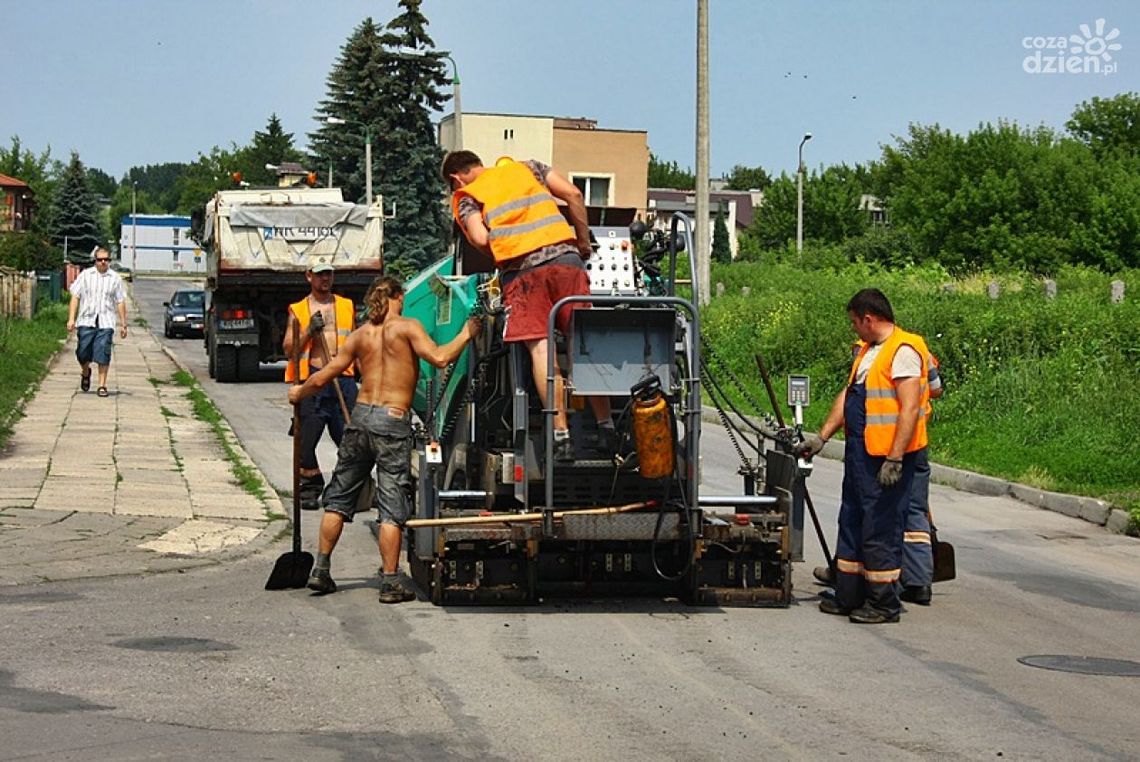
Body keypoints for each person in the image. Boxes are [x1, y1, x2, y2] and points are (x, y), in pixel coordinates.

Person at [289, 276, 482, 603]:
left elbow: (324, 374)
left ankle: (321, 569)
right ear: (397, 296)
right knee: (392, 506)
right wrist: (466, 333)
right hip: (392, 421)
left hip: (361, 417)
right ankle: (391, 581)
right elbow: (439, 358)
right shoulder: (407, 327)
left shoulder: (361, 334)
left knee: (338, 497)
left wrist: (299, 391)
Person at [441, 150, 614, 462]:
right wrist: (584, 242)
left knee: (542, 351)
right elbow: (574, 194)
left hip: (524, 271)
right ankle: (606, 424)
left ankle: (560, 434)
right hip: (567, 261)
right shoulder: (529, 168)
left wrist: (509, 238)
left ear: (456, 178)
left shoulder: (467, 196)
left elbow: (480, 239)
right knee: (582, 346)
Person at [799, 288, 932, 624]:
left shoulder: (902, 351)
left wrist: (896, 458)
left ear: (868, 319)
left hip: (885, 459)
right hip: (861, 453)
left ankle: (883, 603)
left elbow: (910, 408)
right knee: (852, 521)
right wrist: (822, 437)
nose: (853, 329)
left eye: (854, 322)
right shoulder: (869, 352)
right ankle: (849, 594)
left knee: (881, 528)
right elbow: (849, 396)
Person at [811, 351, 945, 607]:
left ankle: (869, 588)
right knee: (915, 514)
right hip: (916, 441)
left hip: (884, 446)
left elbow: (853, 394)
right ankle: (919, 583)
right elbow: (936, 389)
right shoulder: (920, 350)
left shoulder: (871, 353)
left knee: (873, 515)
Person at [283, 261, 358, 510]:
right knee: (305, 442)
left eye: (329, 274)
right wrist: (308, 332)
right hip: (312, 380)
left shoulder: (345, 306)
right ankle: (311, 485)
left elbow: (357, 341)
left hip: (343, 379)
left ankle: (345, 489)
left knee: (350, 441)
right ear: (309, 276)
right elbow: (288, 350)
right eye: (320, 274)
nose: (325, 279)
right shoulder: (298, 310)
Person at [66, 247, 128, 398]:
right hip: (86, 319)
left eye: (106, 259)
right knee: (82, 352)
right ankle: (86, 372)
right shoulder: (86, 275)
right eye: (100, 259)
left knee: (103, 352)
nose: (103, 262)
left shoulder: (115, 278)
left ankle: (102, 385)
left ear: (109, 261)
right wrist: (71, 318)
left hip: (106, 321)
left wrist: (123, 324)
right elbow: (75, 296)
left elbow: (120, 301)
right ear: (95, 260)